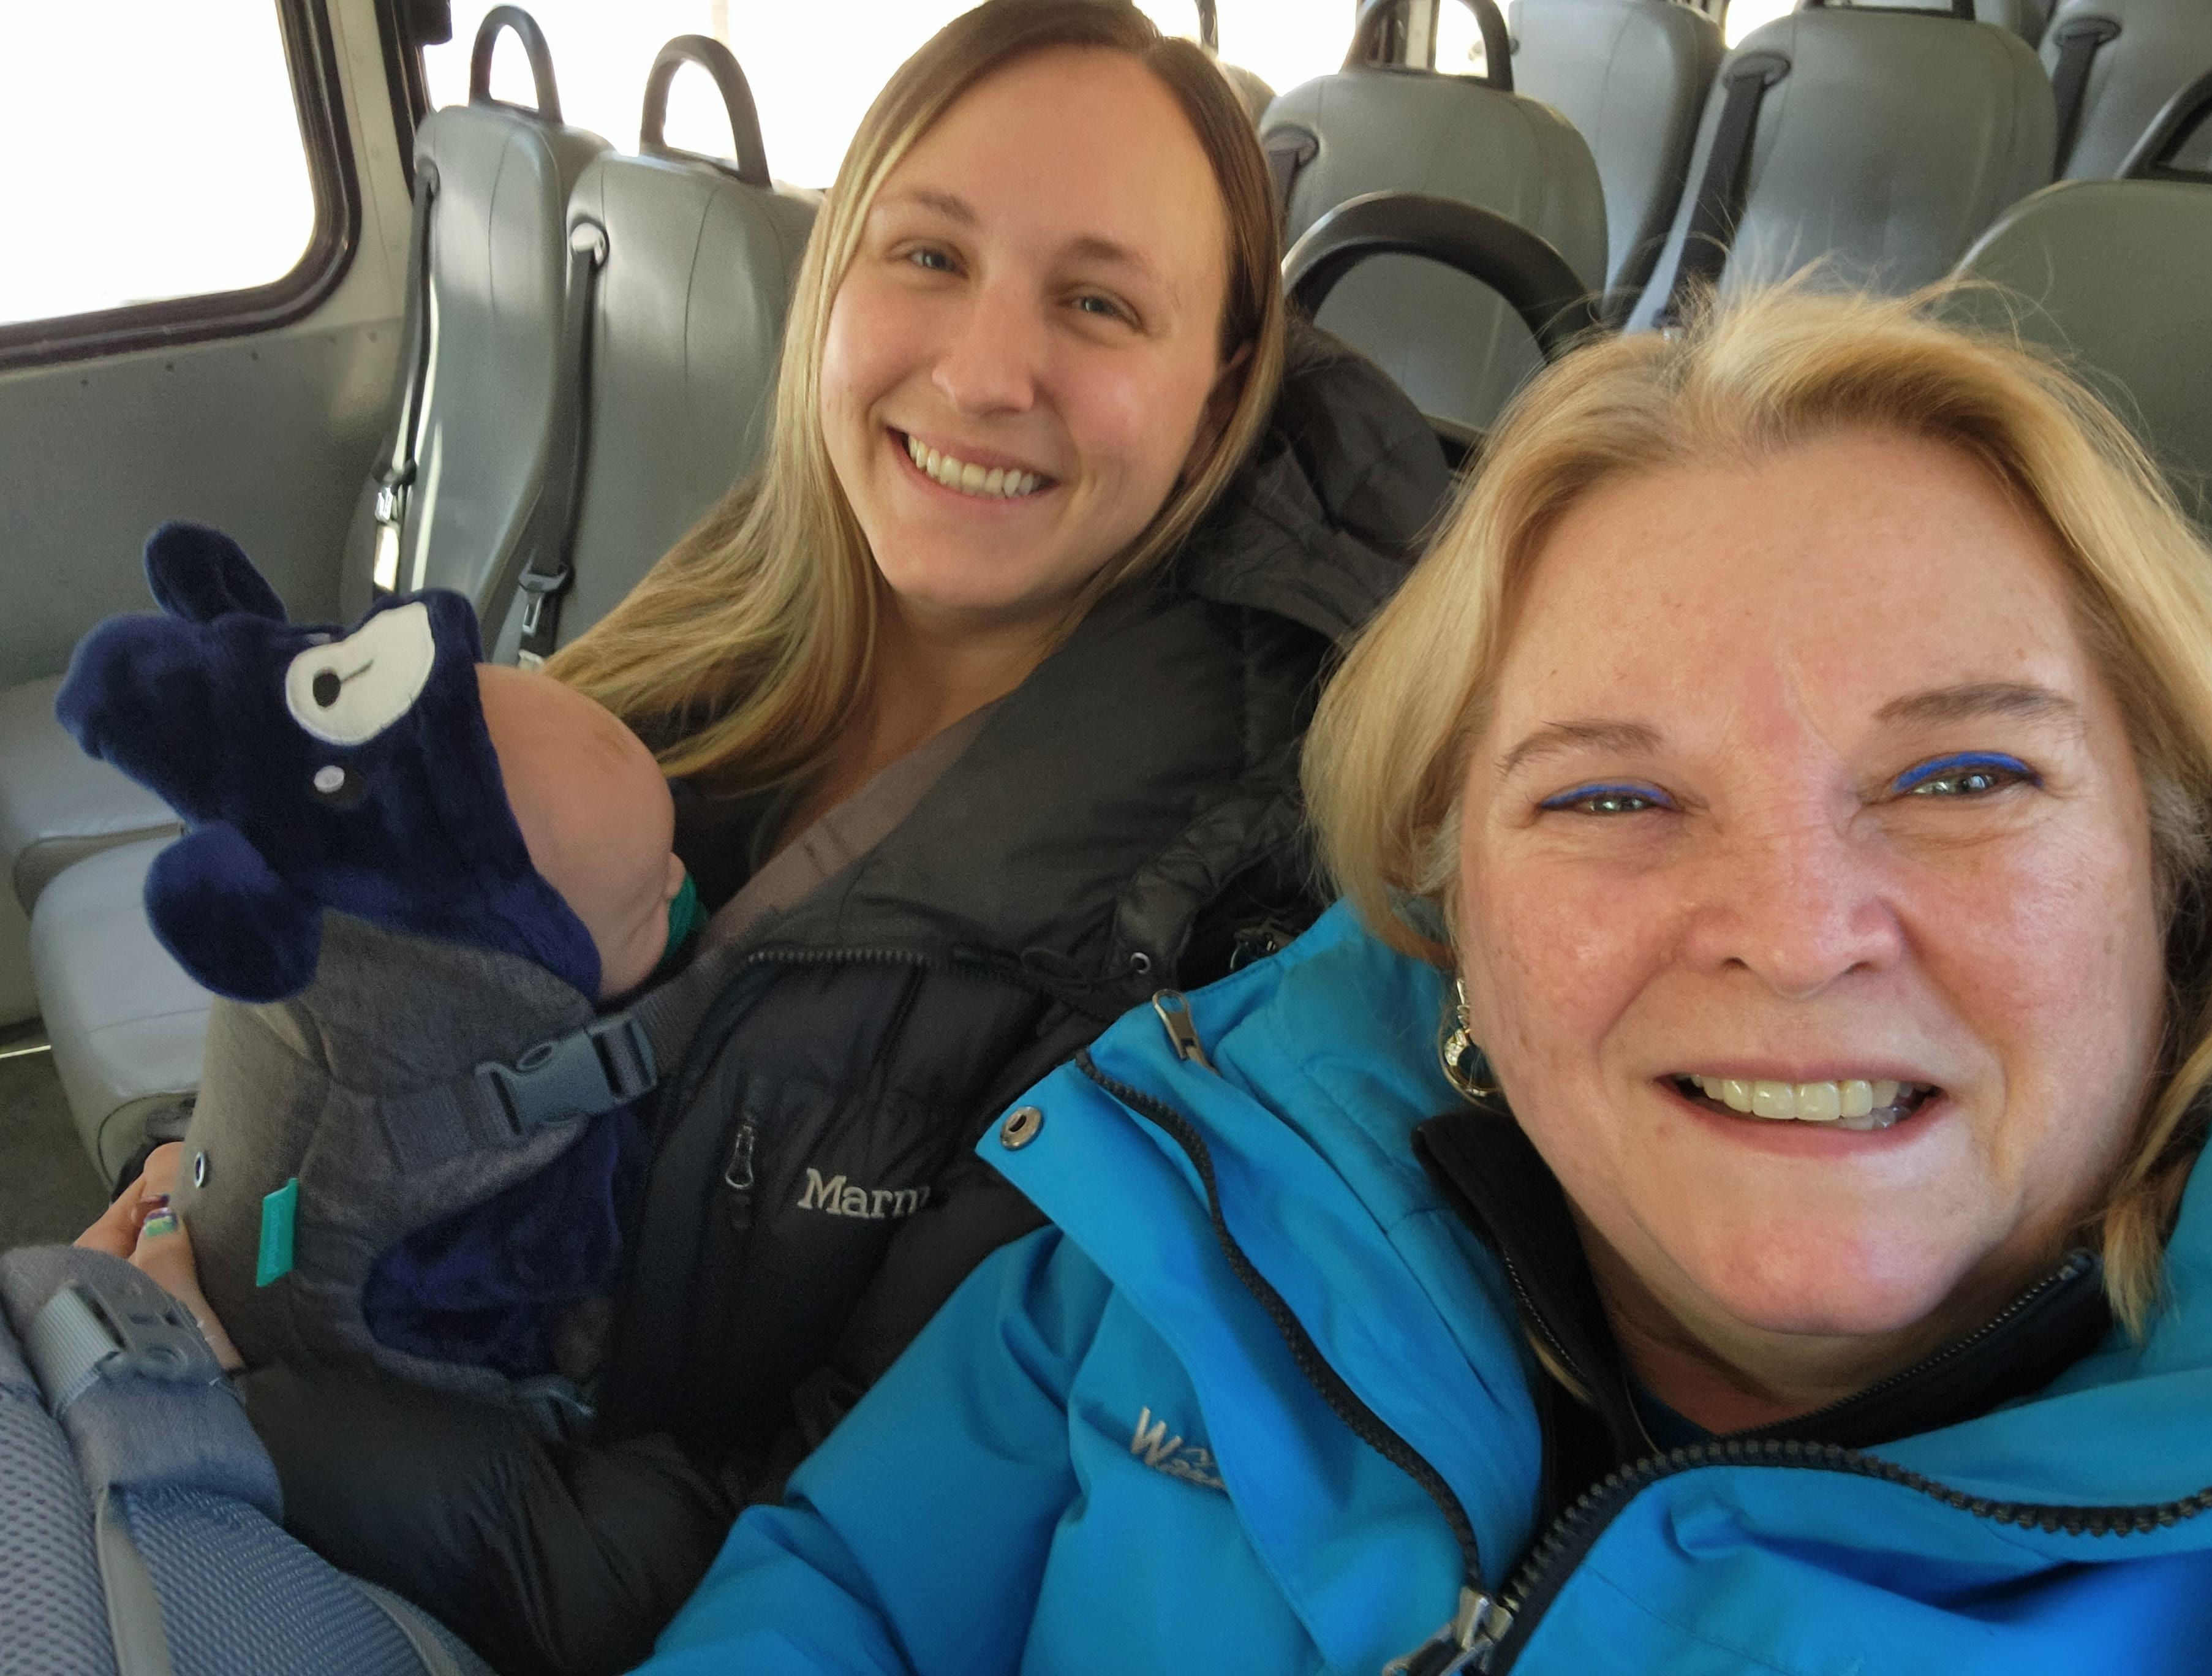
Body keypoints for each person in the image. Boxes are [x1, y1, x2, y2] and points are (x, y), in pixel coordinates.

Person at [90, 5, 1447, 1672]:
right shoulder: (743, 592)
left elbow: (853, 1537)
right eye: (928, 255)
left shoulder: (1223, 914)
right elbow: (438, 960)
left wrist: (241, 1404)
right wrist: (221, 1180)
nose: (983, 373)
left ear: (1224, 385)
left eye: (1098, 303)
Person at [632, 283, 2212, 1676]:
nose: (1800, 936)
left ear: (2177, 863)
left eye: (1964, 778)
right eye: (1613, 798)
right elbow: (842, 1601)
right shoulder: (1223, 1209)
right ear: (1453, 904)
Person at [78, 657, 698, 1386]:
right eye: (650, 894)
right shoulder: (520, 1141)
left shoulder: (308, 943)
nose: (680, 877)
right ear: (532, 960)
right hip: (338, 1396)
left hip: (210, 1223)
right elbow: (595, 1273)